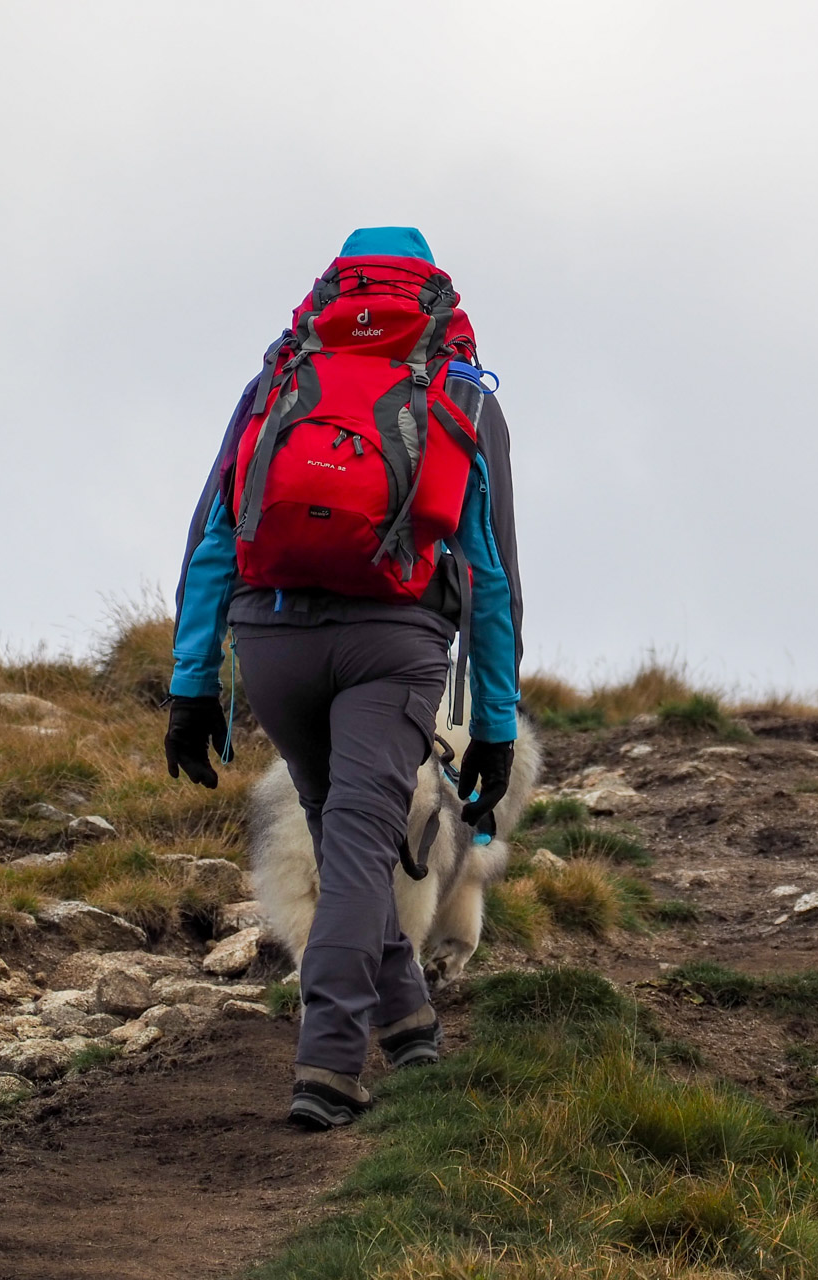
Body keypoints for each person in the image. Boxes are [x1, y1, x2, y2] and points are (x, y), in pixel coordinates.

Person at [162, 226, 524, 1129]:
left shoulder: (279, 379)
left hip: (272, 639)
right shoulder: (463, 392)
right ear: (436, 300)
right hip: (392, 647)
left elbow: (213, 535)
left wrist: (191, 682)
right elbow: (490, 570)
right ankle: (327, 1066)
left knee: (343, 833)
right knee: (362, 847)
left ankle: (405, 1022)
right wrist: (496, 721)